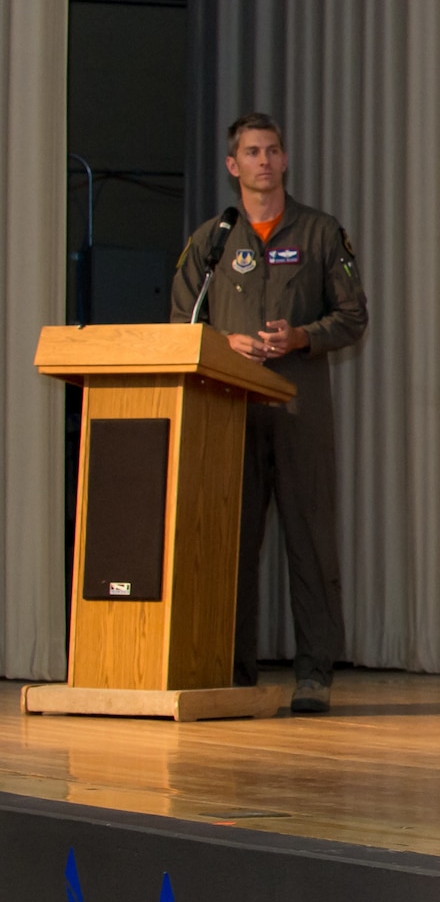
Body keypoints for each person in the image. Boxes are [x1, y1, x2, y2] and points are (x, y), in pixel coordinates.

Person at [169, 113, 368, 714]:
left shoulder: (320, 233)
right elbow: (182, 322)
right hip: (229, 410)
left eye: (273, 150)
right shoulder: (212, 241)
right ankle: (232, 670)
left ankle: (314, 674)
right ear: (233, 166)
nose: (263, 161)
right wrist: (224, 344)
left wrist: (300, 337)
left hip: (298, 407)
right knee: (232, 542)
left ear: (284, 161)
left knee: (309, 540)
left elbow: (353, 317)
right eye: (252, 152)